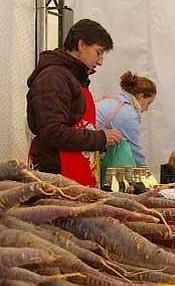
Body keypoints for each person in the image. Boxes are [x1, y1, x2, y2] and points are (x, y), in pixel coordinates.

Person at [26, 19, 123, 186]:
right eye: (98, 52)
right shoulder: (53, 78)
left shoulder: (73, 77)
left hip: (76, 172)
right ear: (81, 45)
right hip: (57, 174)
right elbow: (53, 132)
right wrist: (100, 138)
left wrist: (99, 140)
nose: (100, 61)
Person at [95, 71, 157, 166]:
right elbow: (134, 149)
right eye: (148, 103)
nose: (146, 109)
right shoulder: (127, 113)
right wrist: (145, 172)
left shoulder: (116, 101)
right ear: (140, 96)